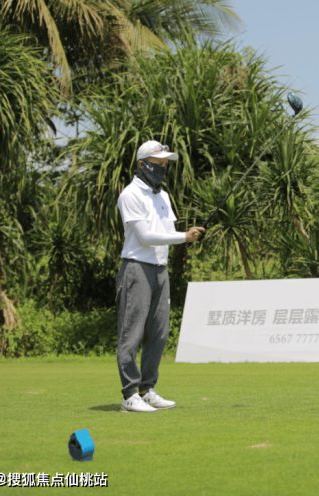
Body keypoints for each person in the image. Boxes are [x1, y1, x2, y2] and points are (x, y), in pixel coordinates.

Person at [115, 140, 205, 413]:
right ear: (142, 165)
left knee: (159, 333)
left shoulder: (163, 196)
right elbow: (145, 237)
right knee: (132, 333)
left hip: (160, 269)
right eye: (157, 164)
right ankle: (129, 395)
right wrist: (183, 237)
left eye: (165, 165)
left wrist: (188, 236)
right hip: (136, 268)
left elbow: (166, 233)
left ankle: (146, 390)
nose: (162, 169)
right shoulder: (130, 195)